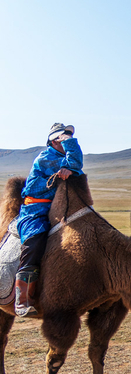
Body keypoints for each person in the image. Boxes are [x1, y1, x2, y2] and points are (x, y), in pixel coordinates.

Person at [15, 123, 84, 317]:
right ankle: (22, 300)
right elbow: (75, 164)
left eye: (70, 136)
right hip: (36, 210)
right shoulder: (46, 158)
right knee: (34, 241)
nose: (68, 140)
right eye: (64, 137)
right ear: (54, 141)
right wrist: (71, 155)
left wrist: (71, 169)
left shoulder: (64, 160)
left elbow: (75, 168)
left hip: (59, 208)